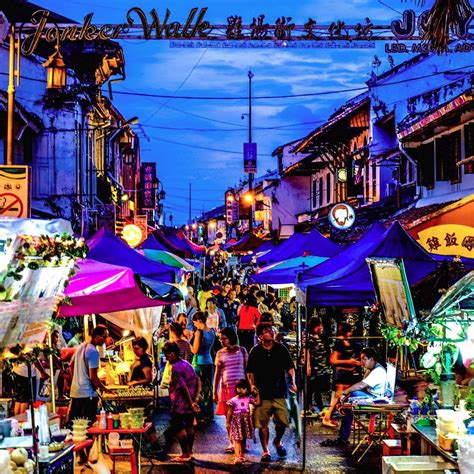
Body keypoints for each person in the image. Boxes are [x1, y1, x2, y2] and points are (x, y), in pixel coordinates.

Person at [246, 322, 297, 463]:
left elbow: (290, 367)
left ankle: (277, 441)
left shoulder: (281, 348)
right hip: (262, 394)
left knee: (283, 421)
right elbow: (250, 371)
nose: (272, 332)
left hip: (279, 392)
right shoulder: (255, 351)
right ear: (261, 336)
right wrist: (252, 386)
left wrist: (293, 382)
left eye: (271, 330)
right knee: (263, 424)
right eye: (268, 331)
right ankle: (266, 451)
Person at [321, 347, 387, 447]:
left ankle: (343, 437)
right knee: (351, 398)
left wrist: (345, 392)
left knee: (353, 394)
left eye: (364, 359)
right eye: (361, 359)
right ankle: (343, 437)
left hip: (377, 399)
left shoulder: (378, 371)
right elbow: (361, 385)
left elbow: (361, 385)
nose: (362, 362)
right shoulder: (371, 370)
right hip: (369, 396)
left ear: (372, 359)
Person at [163, 342, 201, 462]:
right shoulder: (187, 364)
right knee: (189, 426)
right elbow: (198, 381)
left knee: (178, 427)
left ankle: (185, 453)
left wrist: (190, 403)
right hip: (190, 402)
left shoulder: (176, 368)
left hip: (180, 403)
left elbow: (183, 387)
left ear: (173, 354)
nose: (167, 359)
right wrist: (195, 400)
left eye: (167, 356)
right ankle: (189, 452)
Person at [213, 328, 248, 453]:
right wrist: (214, 391)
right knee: (229, 417)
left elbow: (247, 371)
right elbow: (217, 374)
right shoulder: (220, 353)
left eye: (224, 338)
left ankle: (242, 442)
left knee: (242, 418)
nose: (222, 341)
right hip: (226, 390)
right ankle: (232, 441)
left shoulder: (242, 351)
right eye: (220, 339)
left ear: (231, 338)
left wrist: (251, 387)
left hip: (241, 391)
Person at [68, 325, 111, 425]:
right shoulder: (93, 352)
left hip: (75, 392)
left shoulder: (80, 347)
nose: (105, 340)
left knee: (76, 426)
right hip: (87, 394)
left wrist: (75, 379)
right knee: (88, 425)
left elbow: (71, 365)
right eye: (104, 337)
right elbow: (93, 377)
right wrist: (105, 389)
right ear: (97, 336)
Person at [322, 322, 360, 428]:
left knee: (346, 397)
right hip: (341, 374)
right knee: (339, 397)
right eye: (349, 330)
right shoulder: (338, 342)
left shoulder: (346, 342)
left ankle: (347, 419)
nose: (351, 333)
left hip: (348, 374)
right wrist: (349, 362)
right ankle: (327, 417)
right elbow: (333, 360)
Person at [226, 379, 260, 465]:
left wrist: (257, 394)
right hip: (236, 421)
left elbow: (257, 403)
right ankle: (237, 457)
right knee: (237, 439)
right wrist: (228, 422)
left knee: (243, 439)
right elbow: (229, 412)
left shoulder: (249, 398)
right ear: (236, 388)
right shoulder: (233, 400)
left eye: (243, 388)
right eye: (239, 388)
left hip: (245, 421)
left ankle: (242, 455)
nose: (241, 390)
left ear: (247, 389)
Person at [9, 344, 49, 415]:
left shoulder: (17, 342)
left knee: (19, 400)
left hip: (16, 372)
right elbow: (33, 359)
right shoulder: (30, 342)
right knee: (25, 400)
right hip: (26, 373)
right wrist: (43, 373)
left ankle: (18, 421)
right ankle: (22, 421)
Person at [191, 311, 216, 423]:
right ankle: (209, 414)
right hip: (209, 361)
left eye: (195, 323)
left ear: (199, 321)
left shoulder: (198, 332)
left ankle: (200, 414)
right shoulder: (211, 331)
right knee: (208, 389)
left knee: (199, 389)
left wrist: (187, 342)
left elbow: (195, 350)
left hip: (200, 363)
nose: (195, 325)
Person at [304, 317, 331, 416]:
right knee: (314, 388)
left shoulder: (321, 336)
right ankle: (320, 407)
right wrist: (308, 366)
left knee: (314, 388)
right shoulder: (309, 338)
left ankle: (309, 408)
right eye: (318, 325)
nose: (320, 327)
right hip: (314, 366)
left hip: (321, 367)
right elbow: (306, 352)